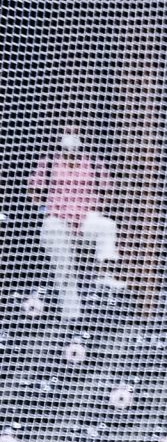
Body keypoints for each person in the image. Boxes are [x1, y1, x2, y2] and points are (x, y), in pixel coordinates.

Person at [29, 128, 118, 322]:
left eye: (75, 131)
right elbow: (33, 189)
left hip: (85, 219)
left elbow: (108, 189)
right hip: (58, 221)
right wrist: (45, 209)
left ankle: (104, 273)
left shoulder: (93, 163)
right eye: (67, 131)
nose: (72, 136)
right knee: (65, 268)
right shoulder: (49, 162)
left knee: (108, 226)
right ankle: (72, 315)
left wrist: (97, 207)